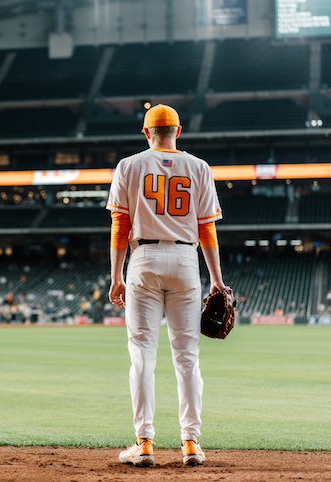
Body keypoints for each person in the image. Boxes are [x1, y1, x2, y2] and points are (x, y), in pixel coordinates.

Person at [107, 104, 225, 468]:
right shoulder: (199, 167)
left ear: (146, 133)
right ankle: (191, 444)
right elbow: (207, 228)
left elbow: (120, 225)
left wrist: (116, 276)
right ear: (179, 131)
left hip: (143, 260)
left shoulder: (129, 165)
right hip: (187, 261)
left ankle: (144, 443)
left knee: (142, 353)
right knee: (187, 357)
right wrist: (218, 280)